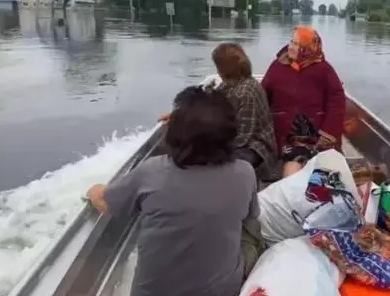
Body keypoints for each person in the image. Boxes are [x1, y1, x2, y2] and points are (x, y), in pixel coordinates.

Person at [86, 86, 262, 296]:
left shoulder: (152, 171)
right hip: (220, 291)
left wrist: (94, 191)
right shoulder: (245, 172)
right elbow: (250, 216)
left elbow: (105, 204)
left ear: (175, 132)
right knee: (251, 233)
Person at [261, 26, 346, 177]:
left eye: (296, 44)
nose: (290, 47)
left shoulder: (324, 70)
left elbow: (337, 103)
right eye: (291, 41)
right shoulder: (277, 66)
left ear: (308, 48)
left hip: (317, 136)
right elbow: (262, 96)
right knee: (293, 168)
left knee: (326, 170)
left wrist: (327, 135)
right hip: (287, 137)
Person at [211, 43, 279, 181]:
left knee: (228, 163)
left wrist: (214, 149)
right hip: (235, 138)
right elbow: (210, 99)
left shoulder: (247, 92)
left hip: (257, 147)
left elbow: (243, 137)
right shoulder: (230, 83)